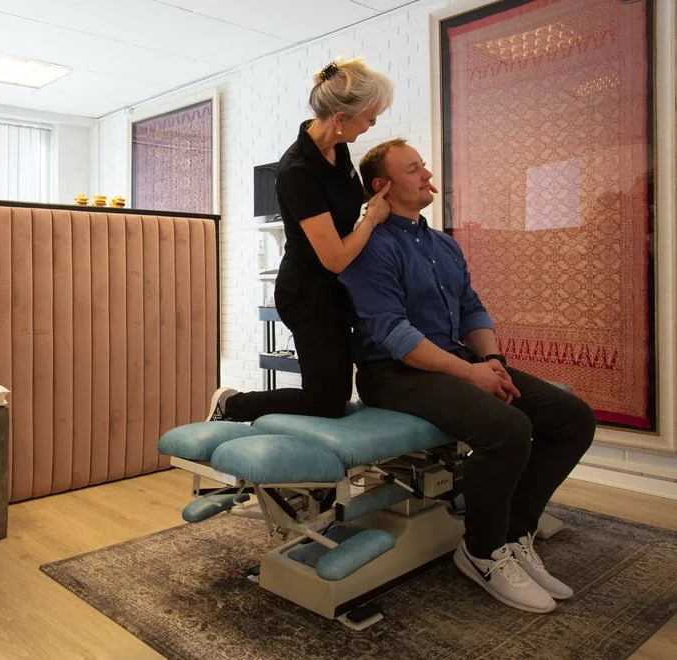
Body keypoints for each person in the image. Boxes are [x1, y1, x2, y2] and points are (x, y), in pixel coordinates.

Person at [337, 138, 596, 614]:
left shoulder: (442, 244)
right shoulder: (372, 246)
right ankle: (481, 551)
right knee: (509, 428)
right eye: (414, 170)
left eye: (424, 168)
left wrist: (490, 359)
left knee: (572, 418)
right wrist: (470, 374)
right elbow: (393, 333)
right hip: (393, 374)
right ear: (382, 186)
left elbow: (471, 307)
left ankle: (516, 533)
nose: (428, 176)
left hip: (455, 361)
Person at [206, 57, 395, 422]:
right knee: (324, 402)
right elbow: (335, 257)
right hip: (306, 292)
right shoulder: (296, 171)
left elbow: (341, 203)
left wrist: (383, 191)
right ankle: (232, 403)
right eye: (369, 118)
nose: (372, 125)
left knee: (336, 397)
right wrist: (372, 218)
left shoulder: (337, 149)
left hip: (334, 289)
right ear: (340, 119)